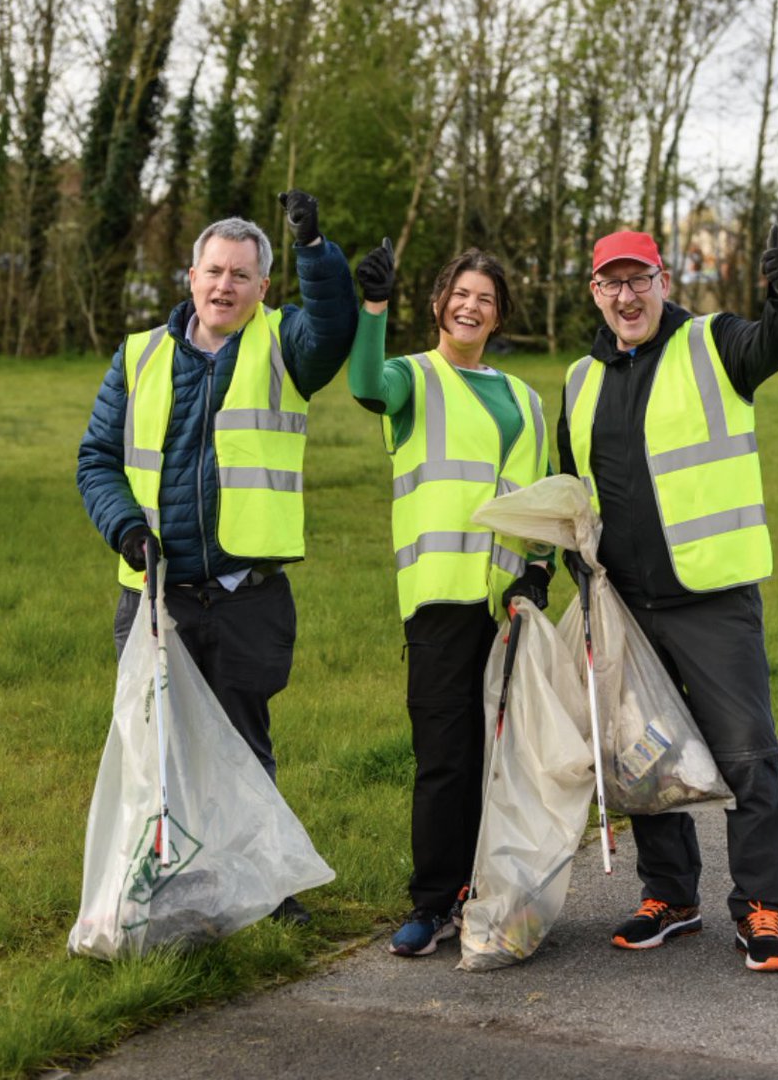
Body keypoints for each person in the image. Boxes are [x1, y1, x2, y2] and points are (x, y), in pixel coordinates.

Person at [76, 190, 357, 927]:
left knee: (241, 749)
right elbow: (97, 459)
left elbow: (334, 330)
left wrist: (315, 251)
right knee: (157, 755)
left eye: (240, 275)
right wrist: (125, 528)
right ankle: (166, 897)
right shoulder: (138, 356)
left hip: (244, 592)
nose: (224, 286)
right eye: (213, 271)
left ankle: (264, 893)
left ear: (264, 287)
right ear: (190, 276)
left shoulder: (286, 343)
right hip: (155, 592)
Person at [558, 226, 778, 972]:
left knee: (744, 755)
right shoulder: (578, 378)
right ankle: (669, 897)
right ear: (595, 293)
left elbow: (776, 342)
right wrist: (575, 570)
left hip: (711, 592)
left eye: (639, 281)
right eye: (611, 284)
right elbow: (571, 488)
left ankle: (759, 907)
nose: (626, 296)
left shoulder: (713, 342)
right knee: (648, 758)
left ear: (662, 281)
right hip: (625, 602)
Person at [348, 241, 553, 957]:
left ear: (499, 318)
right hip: (438, 602)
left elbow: (539, 503)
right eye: (460, 294)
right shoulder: (412, 377)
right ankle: (434, 900)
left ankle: (498, 894)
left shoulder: (527, 401)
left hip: (508, 609)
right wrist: (371, 307)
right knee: (444, 757)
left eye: (486, 300)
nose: (471, 306)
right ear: (438, 304)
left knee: (508, 760)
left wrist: (538, 572)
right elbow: (367, 384)